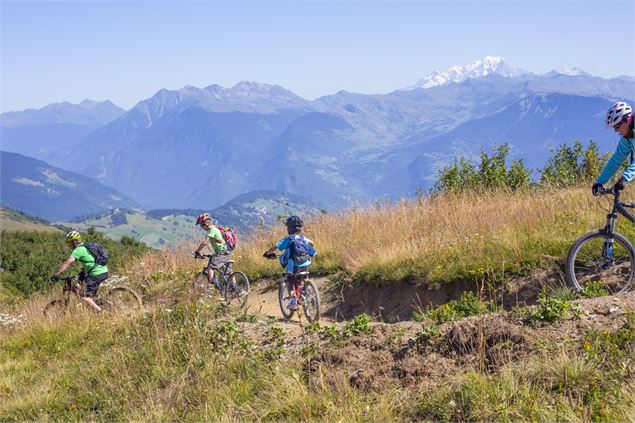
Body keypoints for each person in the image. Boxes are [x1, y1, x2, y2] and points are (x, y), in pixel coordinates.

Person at [263, 215, 316, 310]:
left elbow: (275, 246)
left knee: (290, 284)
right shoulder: (302, 238)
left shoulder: (288, 239)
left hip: (294, 265)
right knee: (302, 280)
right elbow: (312, 243)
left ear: (289, 228)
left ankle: (293, 301)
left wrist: (268, 253)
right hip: (306, 263)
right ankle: (306, 294)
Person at [52, 231, 108, 312]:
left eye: (69, 243)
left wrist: (57, 273)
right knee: (88, 291)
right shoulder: (86, 247)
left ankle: (102, 312)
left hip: (95, 273)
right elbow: (90, 262)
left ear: (74, 242)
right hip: (103, 271)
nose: (69, 246)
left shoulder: (78, 250)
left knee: (83, 296)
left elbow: (67, 263)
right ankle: (98, 304)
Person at [592, 101, 635, 196]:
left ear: (626, 120)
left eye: (617, 126)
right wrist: (599, 182)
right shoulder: (627, 137)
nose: (616, 131)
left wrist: (625, 178)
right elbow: (616, 160)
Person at [192, 212, 233, 288]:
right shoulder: (216, 228)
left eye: (201, 225)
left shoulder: (211, 230)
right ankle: (235, 288)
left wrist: (197, 251)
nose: (201, 227)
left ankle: (211, 286)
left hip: (220, 252)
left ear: (205, 224)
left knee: (211, 267)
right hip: (226, 251)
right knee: (229, 272)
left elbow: (205, 242)